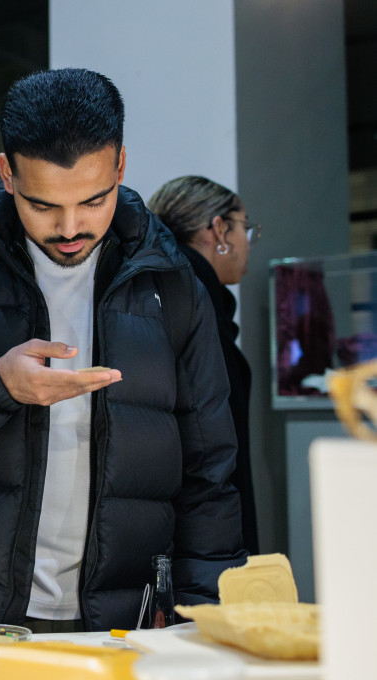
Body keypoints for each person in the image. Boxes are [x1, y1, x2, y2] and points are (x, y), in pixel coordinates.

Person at [0, 67, 246, 636]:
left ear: (121, 166)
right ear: (7, 173)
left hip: (124, 624)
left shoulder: (171, 286)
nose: (71, 227)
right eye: (44, 205)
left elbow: (209, 475)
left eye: (93, 200)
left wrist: (206, 624)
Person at [148, 176, 260, 555]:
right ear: (218, 229)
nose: (249, 243)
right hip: (202, 530)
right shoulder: (198, 302)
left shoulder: (161, 290)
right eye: (246, 228)